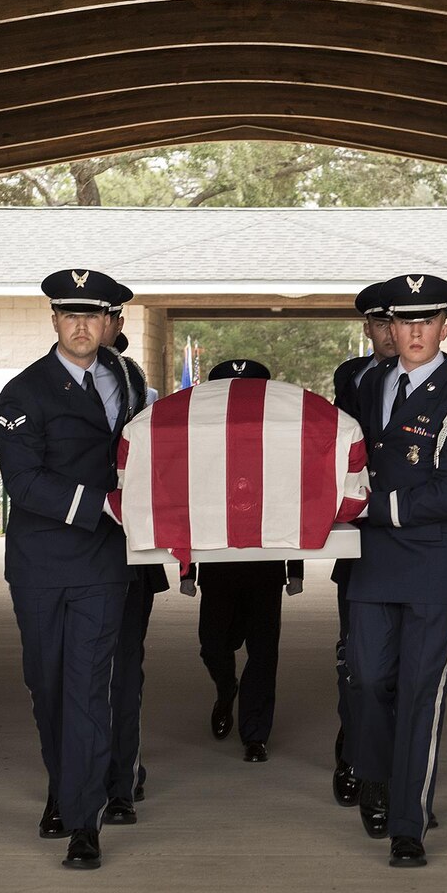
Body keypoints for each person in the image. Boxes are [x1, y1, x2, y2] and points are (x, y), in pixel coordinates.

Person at [344, 273, 447, 868]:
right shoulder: (369, 383)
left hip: (430, 560)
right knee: (366, 678)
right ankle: (378, 778)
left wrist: (368, 508)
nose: (413, 332)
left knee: (419, 693)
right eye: (403, 321)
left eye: (425, 321)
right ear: (390, 327)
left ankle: (408, 821)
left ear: (443, 327)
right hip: (372, 562)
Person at [0, 269, 142, 870]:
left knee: (87, 686)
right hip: (42, 561)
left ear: (108, 323)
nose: (82, 326)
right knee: (48, 684)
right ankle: (64, 785)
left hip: (104, 562)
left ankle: (84, 820)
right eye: (70, 315)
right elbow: (24, 482)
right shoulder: (23, 393)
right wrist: (101, 503)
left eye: (93, 316)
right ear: (54, 321)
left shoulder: (128, 380)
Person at [183, 357, 302, 761]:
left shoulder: (277, 444)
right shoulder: (203, 445)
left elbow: (291, 504)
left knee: (264, 652)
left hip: (266, 565)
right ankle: (225, 689)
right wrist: (187, 568)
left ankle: (255, 734)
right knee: (212, 645)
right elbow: (190, 508)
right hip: (218, 564)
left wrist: (295, 566)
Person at [328, 282, 396, 806]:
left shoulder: (438, 385)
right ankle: (353, 751)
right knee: (355, 655)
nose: (388, 332)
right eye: (378, 323)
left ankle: (392, 761)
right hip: (360, 531)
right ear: (368, 329)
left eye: (395, 322)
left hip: (408, 527)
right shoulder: (352, 376)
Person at [99, 297, 161, 826]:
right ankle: (80, 777)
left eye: (108, 316)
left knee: (122, 668)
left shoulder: (136, 384)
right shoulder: (44, 384)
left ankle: (121, 777)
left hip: (127, 546)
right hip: (72, 544)